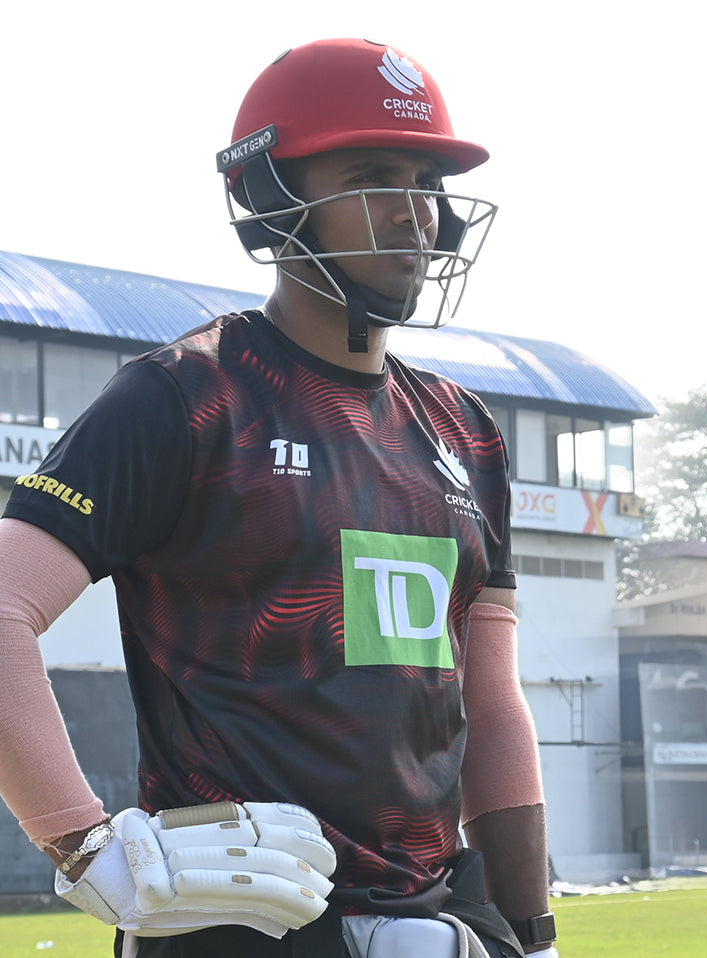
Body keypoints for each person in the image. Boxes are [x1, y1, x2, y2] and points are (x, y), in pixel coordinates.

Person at [0, 38, 558, 958]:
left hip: (440, 922)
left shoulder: (466, 430)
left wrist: (532, 932)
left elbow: (489, 703)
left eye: (427, 183)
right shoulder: (185, 395)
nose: (415, 211)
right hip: (245, 923)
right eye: (372, 177)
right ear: (270, 195)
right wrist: (78, 840)